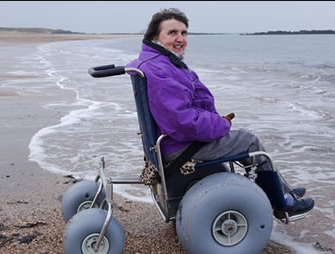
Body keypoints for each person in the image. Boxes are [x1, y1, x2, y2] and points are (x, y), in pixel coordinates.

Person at [127, 8, 314, 218]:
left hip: (172, 141)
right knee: (250, 141)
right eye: (172, 33)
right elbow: (182, 122)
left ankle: (282, 190)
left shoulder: (159, 63)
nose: (180, 39)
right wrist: (221, 125)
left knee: (241, 139)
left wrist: (211, 115)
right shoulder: (160, 70)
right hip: (179, 146)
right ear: (155, 36)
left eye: (184, 33)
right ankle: (282, 204)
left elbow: (190, 105)